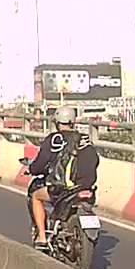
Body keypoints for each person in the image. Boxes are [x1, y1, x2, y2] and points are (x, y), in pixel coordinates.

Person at [28, 106, 99, 249]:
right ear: (73, 122)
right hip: (85, 187)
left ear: (56, 122)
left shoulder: (54, 139)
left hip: (63, 188)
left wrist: (32, 169)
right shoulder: (85, 140)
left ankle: (42, 237)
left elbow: (40, 163)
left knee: (36, 196)